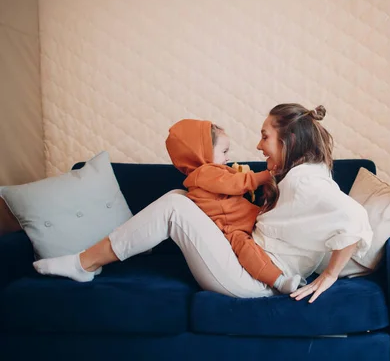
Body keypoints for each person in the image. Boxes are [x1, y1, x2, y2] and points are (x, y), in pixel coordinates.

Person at [33, 103, 372, 303]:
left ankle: (84, 263)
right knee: (181, 198)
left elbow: (354, 218)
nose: (258, 146)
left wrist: (329, 276)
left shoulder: (305, 180)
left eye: (265, 136)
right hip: (250, 263)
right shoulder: (298, 174)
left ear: (290, 140)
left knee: (175, 206)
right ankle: (88, 263)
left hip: (255, 279)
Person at [165, 118, 301, 293]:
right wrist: (266, 175)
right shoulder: (205, 173)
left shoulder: (210, 174)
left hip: (240, 220)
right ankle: (279, 281)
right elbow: (237, 183)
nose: (227, 157)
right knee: (247, 250)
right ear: (202, 152)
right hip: (229, 228)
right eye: (224, 151)